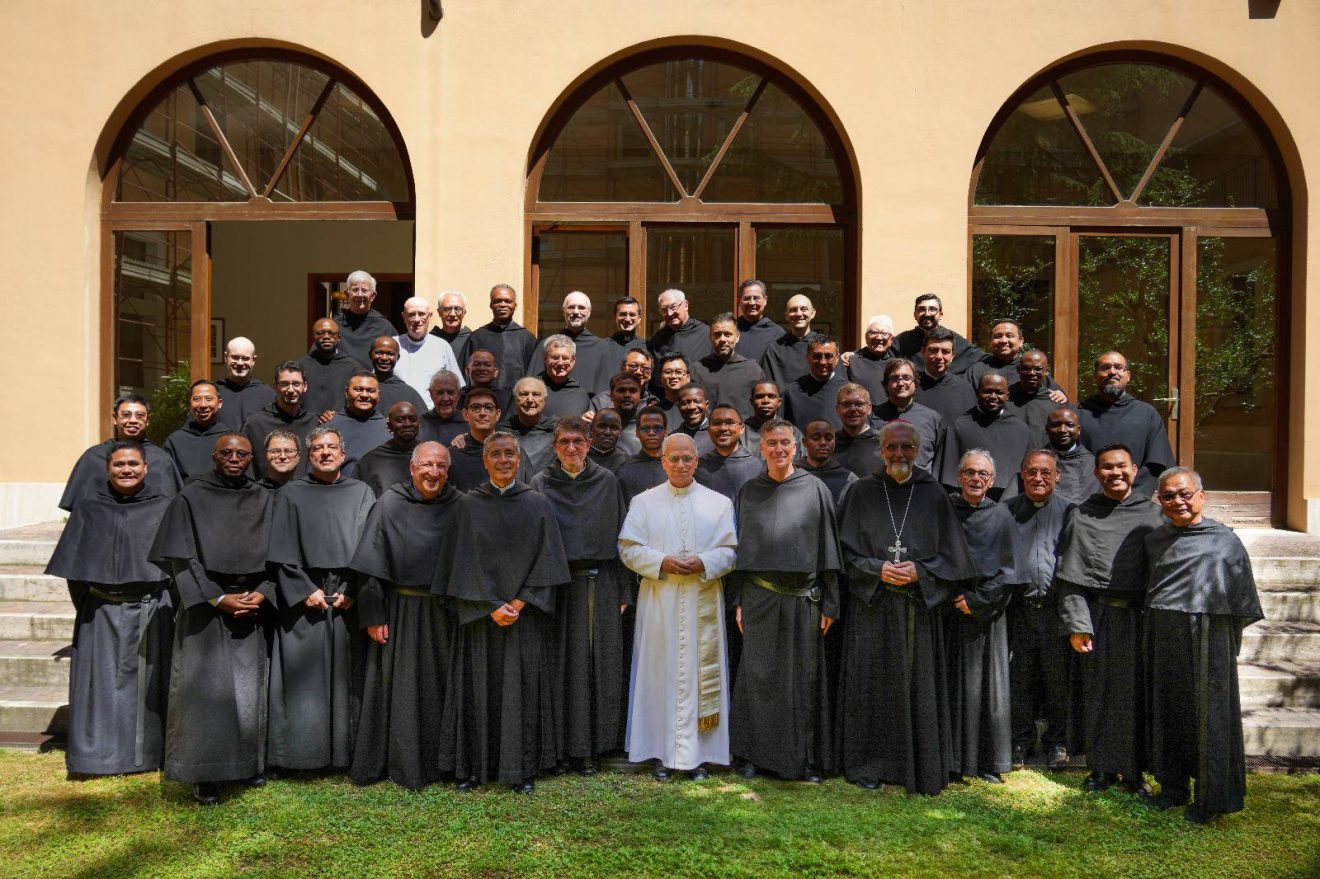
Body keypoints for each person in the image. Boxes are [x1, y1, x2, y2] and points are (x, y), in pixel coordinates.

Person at [836, 421, 978, 795]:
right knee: (872, 687)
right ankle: (870, 764)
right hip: (873, 608)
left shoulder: (934, 494)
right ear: (881, 450)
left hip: (919, 609)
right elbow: (843, 555)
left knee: (918, 687)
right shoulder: (862, 492)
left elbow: (954, 558)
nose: (899, 454)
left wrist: (921, 571)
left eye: (907, 447)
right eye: (892, 447)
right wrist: (876, 569)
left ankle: (918, 762)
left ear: (917, 451)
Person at [433, 431, 571, 793]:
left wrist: (521, 601)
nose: (504, 460)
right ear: (485, 461)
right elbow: (458, 564)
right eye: (496, 454)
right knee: (476, 693)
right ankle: (471, 768)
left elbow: (548, 561)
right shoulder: (467, 506)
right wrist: (490, 606)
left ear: (519, 459)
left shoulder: (538, 504)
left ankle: (521, 770)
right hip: (479, 620)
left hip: (524, 618)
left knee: (521, 695)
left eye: (510, 453)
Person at [148, 433, 274, 805]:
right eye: (226, 453)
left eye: (241, 454)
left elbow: (281, 553)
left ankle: (247, 764)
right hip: (206, 605)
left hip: (250, 602)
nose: (234, 458)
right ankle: (203, 772)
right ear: (214, 457)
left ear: (251, 458)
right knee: (202, 693)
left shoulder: (264, 498)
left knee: (249, 690)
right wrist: (216, 597)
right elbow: (180, 557)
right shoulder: (190, 497)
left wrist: (264, 590)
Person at [1141, 468, 1264, 823]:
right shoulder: (1155, 540)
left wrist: (1223, 635)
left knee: (1210, 714)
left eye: (1185, 494)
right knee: (1168, 709)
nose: (1177, 501)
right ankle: (1173, 788)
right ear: (1160, 501)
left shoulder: (1225, 540)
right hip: (1164, 632)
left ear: (1202, 496)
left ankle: (1212, 797)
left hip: (1209, 633)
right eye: (1168, 496)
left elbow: (1240, 594)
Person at [46, 443, 172, 777]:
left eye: (133, 464)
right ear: (108, 469)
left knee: (147, 685)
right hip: (99, 611)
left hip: (150, 609)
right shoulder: (88, 507)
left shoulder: (163, 506)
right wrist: (95, 603)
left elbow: (175, 565)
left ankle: (147, 755)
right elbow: (74, 574)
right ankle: (98, 757)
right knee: (98, 684)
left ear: (145, 468)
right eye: (119, 465)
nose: (126, 469)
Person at [620, 434, 738, 781]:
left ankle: (700, 755)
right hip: (660, 601)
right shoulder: (643, 502)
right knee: (658, 673)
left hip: (703, 597)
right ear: (664, 462)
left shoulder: (719, 504)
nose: (682, 465)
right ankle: (659, 752)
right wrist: (661, 561)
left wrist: (705, 562)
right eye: (675, 459)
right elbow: (628, 548)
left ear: (696, 461)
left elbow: (730, 552)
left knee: (701, 676)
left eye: (688, 458)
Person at [730, 419, 841, 782]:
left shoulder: (815, 489)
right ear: (761, 449)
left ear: (796, 447)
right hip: (759, 596)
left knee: (802, 681)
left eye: (785, 443)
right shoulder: (749, 491)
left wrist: (831, 602)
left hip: (803, 599)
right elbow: (738, 550)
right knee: (757, 677)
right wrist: (739, 600)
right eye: (772, 443)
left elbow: (829, 549)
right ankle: (751, 755)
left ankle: (804, 760)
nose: (779, 449)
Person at [348, 441, 462, 790]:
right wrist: (373, 615)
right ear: (412, 469)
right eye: (426, 465)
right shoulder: (389, 504)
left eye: (441, 466)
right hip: (402, 611)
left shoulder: (461, 505)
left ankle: (446, 763)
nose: (433, 472)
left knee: (444, 686)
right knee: (403, 690)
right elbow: (370, 565)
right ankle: (404, 761)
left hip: (447, 611)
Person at [1055, 443, 1165, 795]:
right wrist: (1077, 624)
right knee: (1099, 695)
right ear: (1096, 473)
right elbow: (1070, 577)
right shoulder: (1082, 514)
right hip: (1097, 618)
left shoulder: (1154, 515)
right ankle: (1101, 768)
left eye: (1121, 466)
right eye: (1106, 467)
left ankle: (1135, 772)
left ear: (1134, 470)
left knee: (1137, 697)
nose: (1114, 473)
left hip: (1140, 618)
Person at [265, 426, 376, 773]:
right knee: (303, 680)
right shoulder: (290, 493)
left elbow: (371, 547)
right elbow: (279, 551)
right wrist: (304, 590)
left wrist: (353, 590)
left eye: (331, 447)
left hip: (347, 595)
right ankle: (301, 756)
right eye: (317, 448)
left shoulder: (361, 492)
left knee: (348, 677)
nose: (325, 453)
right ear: (308, 456)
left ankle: (345, 755)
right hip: (305, 596)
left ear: (343, 453)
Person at [530, 418, 630, 775]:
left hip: (602, 584)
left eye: (578, 441)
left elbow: (622, 538)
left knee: (598, 666)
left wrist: (623, 589)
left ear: (589, 444)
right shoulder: (540, 483)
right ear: (554, 446)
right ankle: (560, 749)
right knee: (561, 668)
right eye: (564, 442)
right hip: (557, 585)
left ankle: (596, 747)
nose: (571, 449)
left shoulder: (607, 481)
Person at [947, 450, 1016, 784]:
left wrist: (977, 600)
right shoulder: (945, 510)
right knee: (950, 685)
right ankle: (951, 760)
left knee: (987, 689)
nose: (976, 479)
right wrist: (952, 596)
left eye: (983, 474)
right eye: (970, 472)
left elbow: (1010, 570)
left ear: (992, 481)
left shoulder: (1002, 515)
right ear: (959, 476)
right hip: (947, 610)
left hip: (987, 611)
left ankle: (987, 762)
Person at [1005, 449, 1074, 771]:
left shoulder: (1071, 512)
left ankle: (1058, 742)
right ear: (1022, 474)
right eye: (1031, 472)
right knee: (1019, 680)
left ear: (1057, 475)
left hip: (1055, 611)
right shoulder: (1006, 511)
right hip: (1018, 610)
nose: (1038, 478)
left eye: (1045, 472)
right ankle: (1020, 740)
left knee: (1057, 681)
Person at [60, 394, 182, 511]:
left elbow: (172, 508)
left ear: (147, 420)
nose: (133, 420)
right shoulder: (93, 456)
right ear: (115, 418)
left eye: (139, 416)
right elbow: (80, 510)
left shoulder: (161, 460)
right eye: (126, 415)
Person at [1077, 351, 1175, 493]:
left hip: (1135, 497)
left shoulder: (1147, 414)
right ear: (1095, 376)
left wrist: (1129, 494)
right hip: (1087, 496)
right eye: (1105, 367)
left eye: (1118, 367)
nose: (1112, 372)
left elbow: (1156, 462)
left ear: (1128, 376)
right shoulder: (1077, 415)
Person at [938, 374, 1034, 500]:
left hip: (1010, 505)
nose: (993, 396)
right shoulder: (959, 426)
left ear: (1007, 395)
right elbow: (947, 478)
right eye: (987, 391)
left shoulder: (1021, 430)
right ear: (977, 393)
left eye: (999, 392)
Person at [242, 362, 318, 480]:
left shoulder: (314, 422)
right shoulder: (255, 423)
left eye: (296, 384)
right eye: (284, 384)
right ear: (275, 386)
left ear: (304, 386)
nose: (291, 390)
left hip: (304, 490)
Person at [532, 292, 615, 395]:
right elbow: (533, 385)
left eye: (581, 308)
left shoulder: (603, 348)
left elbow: (606, 392)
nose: (576, 312)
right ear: (564, 311)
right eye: (571, 307)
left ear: (589, 312)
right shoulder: (547, 345)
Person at [689, 313, 765, 421]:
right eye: (717, 334)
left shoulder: (752, 370)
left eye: (727, 334)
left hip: (744, 429)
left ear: (737, 337)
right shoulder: (697, 370)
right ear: (710, 337)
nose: (722, 339)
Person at [871, 359, 944, 472]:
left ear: (915, 383)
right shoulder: (872, 417)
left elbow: (940, 463)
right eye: (894, 378)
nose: (901, 383)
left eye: (906, 378)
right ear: (886, 385)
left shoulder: (932, 419)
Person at [394, 297, 464, 410]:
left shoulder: (442, 346)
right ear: (404, 317)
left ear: (430, 316)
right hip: (399, 415)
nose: (417, 319)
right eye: (411, 314)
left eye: (421, 314)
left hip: (432, 416)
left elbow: (457, 386)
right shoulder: (392, 345)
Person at [467, 283, 538, 392]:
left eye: (508, 301)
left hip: (515, 398)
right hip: (484, 397)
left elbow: (533, 375)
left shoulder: (527, 338)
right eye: (498, 301)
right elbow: (466, 374)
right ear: (491, 305)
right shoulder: (477, 337)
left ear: (515, 305)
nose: (503, 305)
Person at [967, 320, 1065, 398]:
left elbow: (1059, 398)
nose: (1003, 340)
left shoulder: (1032, 370)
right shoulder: (976, 371)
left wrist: (1060, 396)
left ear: (1021, 341)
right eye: (998, 336)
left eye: (1009, 336)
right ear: (990, 342)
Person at [892, 293, 982, 376]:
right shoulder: (902, 340)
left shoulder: (954, 339)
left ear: (941, 315)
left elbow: (983, 360)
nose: (927, 314)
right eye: (921, 309)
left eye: (932, 309)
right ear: (915, 315)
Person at [161, 380, 231, 482]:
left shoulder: (230, 439)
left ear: (219, 403)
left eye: (208, 399)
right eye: (197, 399)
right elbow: (166, 479)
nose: (203, 405)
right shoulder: (175, 440)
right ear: (190, 404)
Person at [297, 318, 367, 419]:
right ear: (313, 337)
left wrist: (339, 414)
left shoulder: (353, 367)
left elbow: (359, 399)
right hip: (306, 422)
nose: (326, 337)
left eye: (332, 333)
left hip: (340, 422)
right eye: (320, 333)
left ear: (339, 338)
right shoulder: (300, 366)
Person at [324, 372, 390, 476]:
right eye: (358, 389)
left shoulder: (388, 429)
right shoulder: (329, 426)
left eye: (370, 391)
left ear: (378, 395)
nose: (364, 395)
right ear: (346, 392)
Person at [782, 336, 849, 431]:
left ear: (837, 358)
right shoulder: (791, 392)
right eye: (817, 356)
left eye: (828, 356)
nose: (822, 362)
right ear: (807, 357)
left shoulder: (849, 391)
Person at [695, 405, 762, 501]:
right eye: (717, 423)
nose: (723, 428)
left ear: (742, 428)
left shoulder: (758, 467)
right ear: (708, 431)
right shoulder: (698, 468)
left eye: (730, 423)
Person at [913, 327, 977, 426]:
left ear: (952, 356)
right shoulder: (911, 387)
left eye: (945, 351)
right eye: (933, 350)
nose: (939, 356)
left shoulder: (965, 389)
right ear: (923, 352)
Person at [355, 402, 422, 497]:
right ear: (389, 426)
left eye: (413, 419)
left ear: (419, 423)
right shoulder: (370, 461)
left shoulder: (431, 455)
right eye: (400, 420)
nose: (407, 424)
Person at [332, 270, 397, 367]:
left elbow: (395, 359)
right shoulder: (335, 325)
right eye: (355, 290)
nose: (359, 294)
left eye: (364, 290)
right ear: (347, 294)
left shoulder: (384, 327)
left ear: (373, 296)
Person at [758, 293, 821, 389]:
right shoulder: (774, 349)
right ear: (786, 315)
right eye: (793, 310)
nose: (799, 314)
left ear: (813, 313)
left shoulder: (824, 346)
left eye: (804, 309)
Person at [214, 337, 276, 430]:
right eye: (235, 357)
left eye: (245, 358)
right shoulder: (214, 393)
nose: (240, 363)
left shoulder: (268, 394)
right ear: (226, 357)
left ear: (253, 360)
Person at [1044, 406, 1099, 504]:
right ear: (1047, 429)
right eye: (1056, 425)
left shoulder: (1092, 464)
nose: (1062, 430)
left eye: (1069, 425)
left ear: (1078, 430)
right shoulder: (1037, 461)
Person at [502, 376, 556, 472]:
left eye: (536, 395)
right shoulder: (500, 431)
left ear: (544, 400)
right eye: (524, 394)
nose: (530, 400)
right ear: (515, 399)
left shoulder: (558, 430)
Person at [616, 406, 669, 503]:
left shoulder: (678, 467)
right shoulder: (625, 471)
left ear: (666, 432)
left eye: (657, 428)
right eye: (645, 429)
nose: (651, 433)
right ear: (637, 432)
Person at [799, 418, 858, 505]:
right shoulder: (791, 473)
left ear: (834, 442)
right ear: (804, 442)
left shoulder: (848, 479)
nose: (823, 443)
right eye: (816, 438)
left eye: (828, 438)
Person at [1006, 350, 1064, 436]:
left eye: (1038, 369)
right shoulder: (1006, 398)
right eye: (1026, 368)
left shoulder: (1055, 402)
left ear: (1046, 371)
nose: (1032, 373)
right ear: (1018, 370)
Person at [536, 334, 594, 418]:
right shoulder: (532, 389)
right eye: (555, 357)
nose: (560, 363)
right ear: (545, 360)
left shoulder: (580, 394)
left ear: (573, 361)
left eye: (565, 358)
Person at [832, 383, 882, 479]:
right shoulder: (830, 445)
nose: (853, 409)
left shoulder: (884, 444)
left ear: (869, 408)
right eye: (846, 404)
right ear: (837, 409)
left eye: (859, 404)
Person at [647, 288, 710, 364]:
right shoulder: (658, 339)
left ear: (686, 305)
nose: (669, 313)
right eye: (664, 310)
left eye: (673, 307)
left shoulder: (706, 334)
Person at [844, 314, 897, 402]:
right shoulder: (850, 361)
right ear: (866, 337)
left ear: (891, 340)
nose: (879, 337)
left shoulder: (897, 364)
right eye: (874, 333)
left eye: (884, 333)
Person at [368, 335, 427, 414]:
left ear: (397, 357)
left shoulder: (408, 393)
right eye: (379, 353)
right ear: (370, 355)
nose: (384, 358)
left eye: (390, 354)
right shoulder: (361, 388)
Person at [592, 373, 644, 454]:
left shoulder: (648, 426)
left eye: (632, 391)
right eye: (621, 390)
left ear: (640, 395)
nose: (627, 395)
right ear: (611, 395)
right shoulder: (596, 421)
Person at [742, 381, 796, 457]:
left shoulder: (792, 431)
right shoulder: (740, 432)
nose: (766, 401)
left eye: (771, 396)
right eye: (760, 396)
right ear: (752, 401)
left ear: (779, 402)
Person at [732, 279, 780, 363]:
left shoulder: (777, 333)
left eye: (756, 298)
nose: (752, 303)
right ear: (739, 301)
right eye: (747, 298)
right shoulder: (730, 330)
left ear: (765, 300)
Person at [418, 370, 467, 445]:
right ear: (431, 394)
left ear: (459, 394)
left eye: (450, 392)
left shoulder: (470, 423)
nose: (445, 398)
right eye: (440, 393)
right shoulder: (419, 423)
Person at [429, 290, 474, 367]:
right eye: (447, 309)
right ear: (439, 312)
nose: (452, 314)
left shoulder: (472, 340)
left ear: (464, 313)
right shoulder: (429, 340)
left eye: (457, 309)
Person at [462, 349, 510, 413]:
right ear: (467, 371)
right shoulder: (458, 397)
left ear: (495, 372)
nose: (482, 368)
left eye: (488, 365)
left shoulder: (507, 399)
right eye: (476, 364)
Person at [674, 384, 715, 456]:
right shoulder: (673, 438)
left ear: (706, 404)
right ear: (678, 406)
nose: (691, 407)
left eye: (697, 401)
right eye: (685, 403)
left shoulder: (719, 433)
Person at [654, 353, 692, 428]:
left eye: (679, 372)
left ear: (688, 377)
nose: (673, 376)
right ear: (661, 377)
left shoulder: (697, 410)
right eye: (668, 372)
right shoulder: (653, 412)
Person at [588, 408, 629, 472]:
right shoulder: (579, 456)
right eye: (602, 426)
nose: (607, 432)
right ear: (591, 429)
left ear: (620, 432)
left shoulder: (626, 461)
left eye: (614, 427)